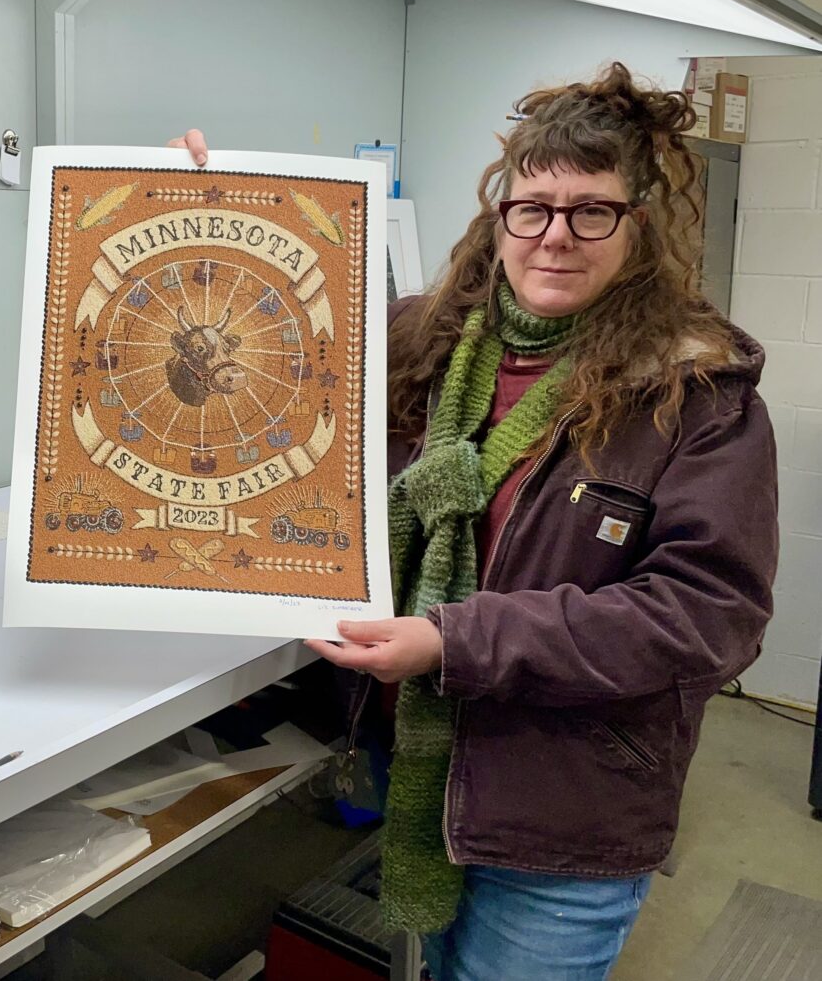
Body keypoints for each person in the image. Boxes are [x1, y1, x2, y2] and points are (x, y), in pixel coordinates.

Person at [170, 62, 778, 981]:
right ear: (499, 220)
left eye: (591, 211)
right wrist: (188, 219)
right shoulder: (419, 344)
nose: (556, 237)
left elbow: (706, 615)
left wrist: (455, 640)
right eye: (532, 208)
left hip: (565, 813)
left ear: (637, 228)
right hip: (411, 771)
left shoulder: (695, 393)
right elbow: (260, 360)